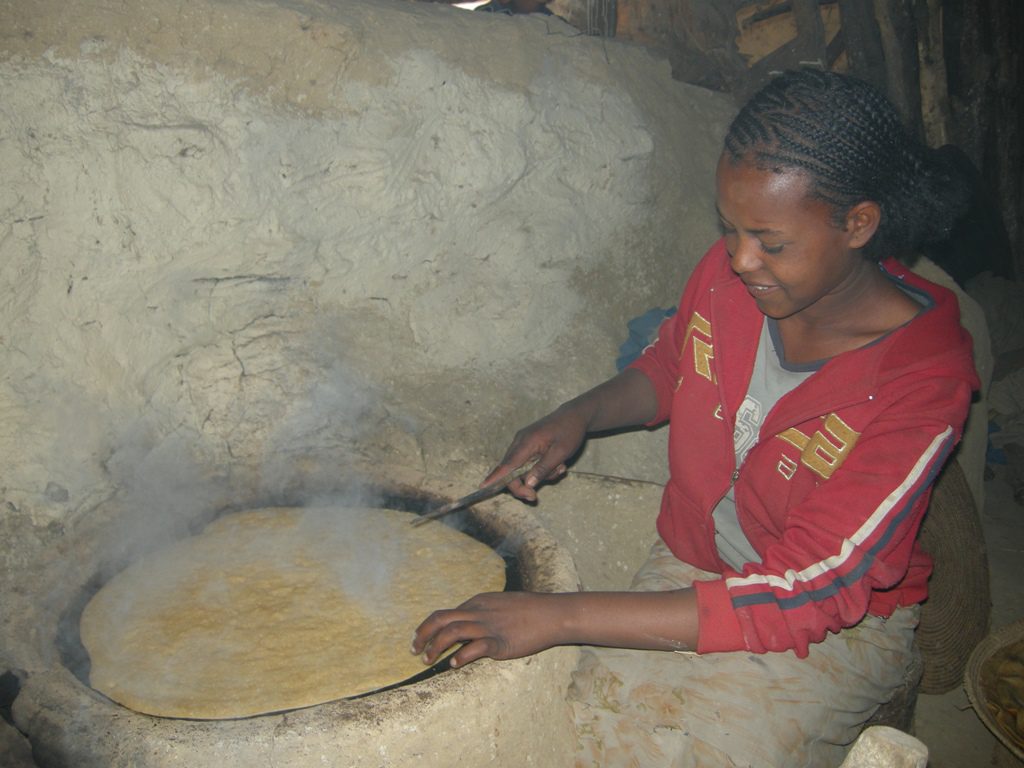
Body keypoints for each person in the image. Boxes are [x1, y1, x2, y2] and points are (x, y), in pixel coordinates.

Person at [412, 68, 981, 767]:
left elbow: (813, 588)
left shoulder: (920, 382)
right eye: (731, 230)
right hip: (698, 560)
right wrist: (579, 416)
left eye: (770, 242)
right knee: (577, 731)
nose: (738, 260)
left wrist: (561, 615)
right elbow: (672, 365)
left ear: (858, 224)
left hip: (834, 623)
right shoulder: (732, 275)